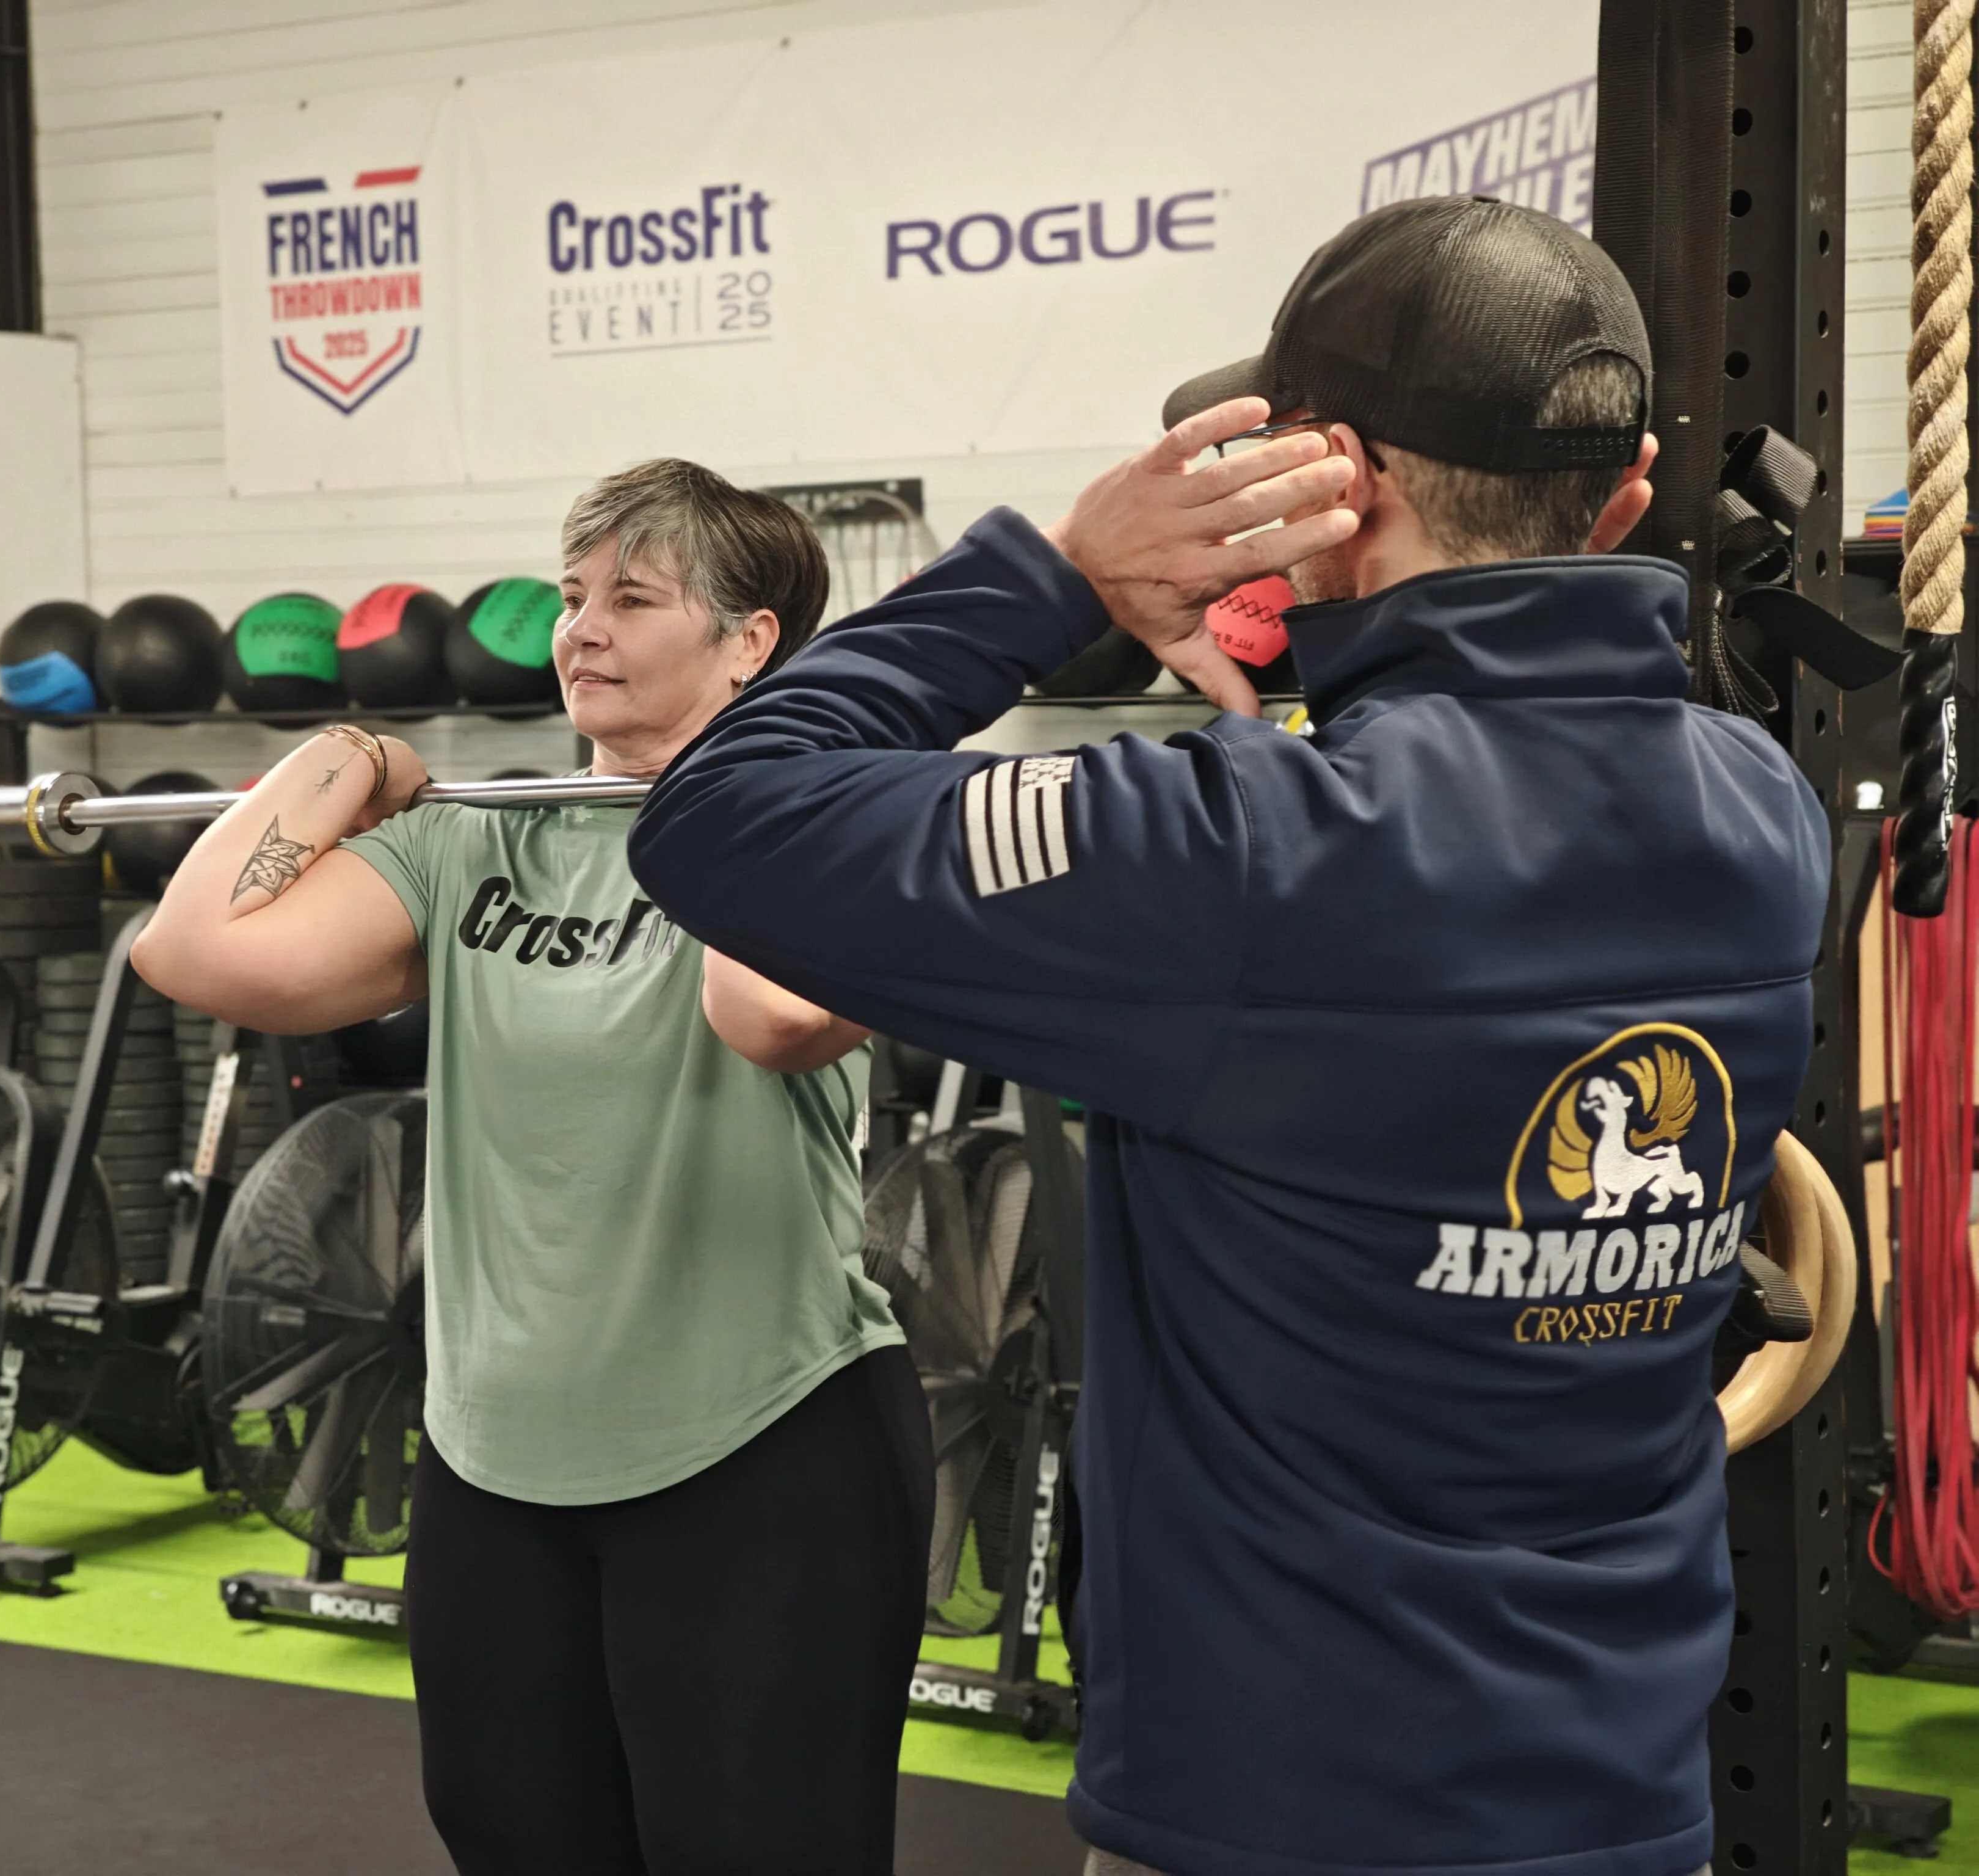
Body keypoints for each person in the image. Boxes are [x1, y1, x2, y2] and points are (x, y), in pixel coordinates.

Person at [628, 196, 1829, 1876]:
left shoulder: (1241, 853)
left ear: (1332, 490)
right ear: (1625, 496)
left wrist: (1059, 579)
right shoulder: (1764, 810)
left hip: (1282, 1815)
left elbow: (718, 813)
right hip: (1624, 1802)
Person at [131, 457, 932, 1876]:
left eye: (631, 597)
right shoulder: (480, 843)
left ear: (749, 643)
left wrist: (758, 778)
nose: (581, 630)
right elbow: (194, 952)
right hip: (495, 1460)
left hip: (759, 1447)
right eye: (571, 598)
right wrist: (354, 762)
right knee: (515, 1840)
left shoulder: (830, 825)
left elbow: (772, 1017)